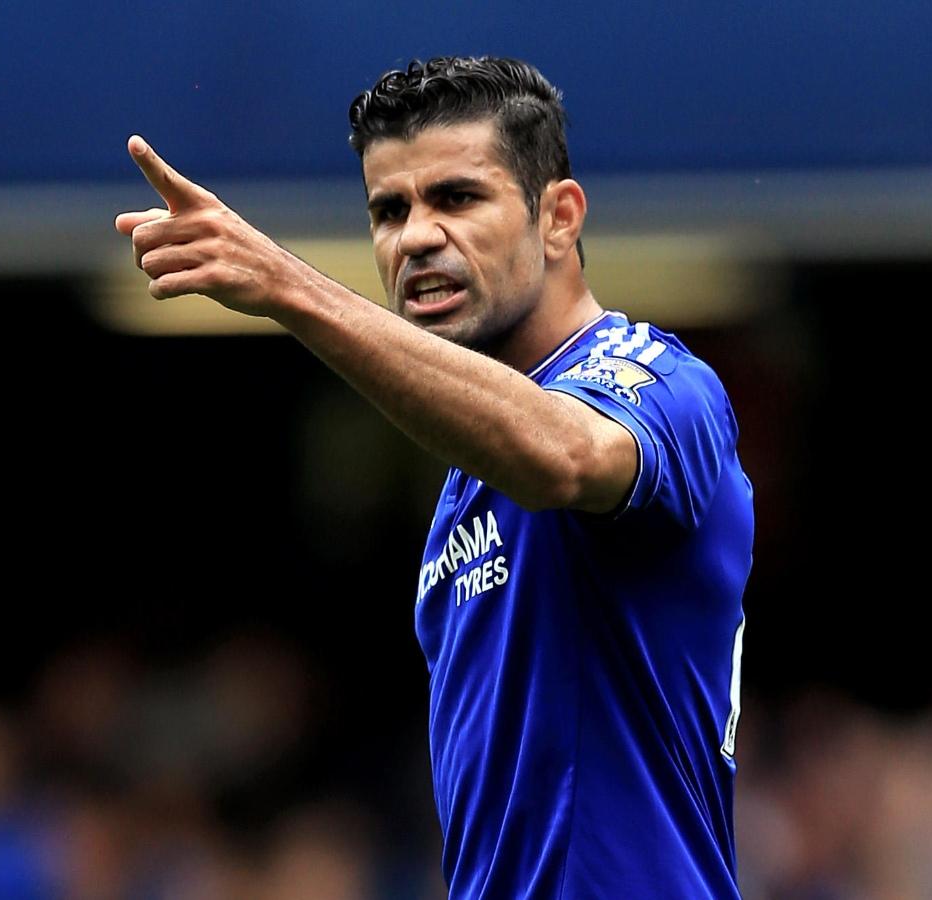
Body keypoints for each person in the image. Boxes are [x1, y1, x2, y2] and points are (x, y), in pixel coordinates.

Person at [115, 56, 753, 899]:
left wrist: (289, 286)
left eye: (456, 198)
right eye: (389, 210)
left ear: (558, 217)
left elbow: (568, 455)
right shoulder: (463, 483)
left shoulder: (663, 382)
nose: (414, 236)